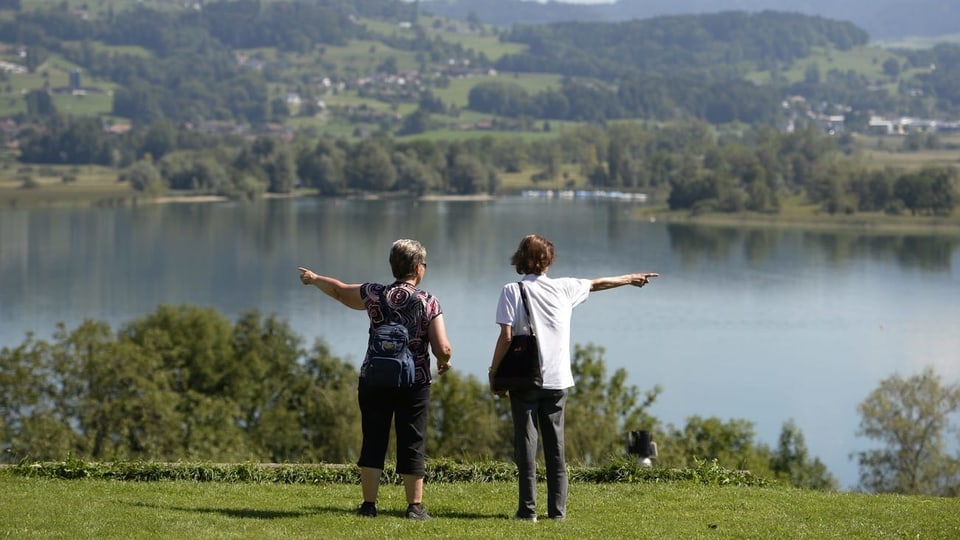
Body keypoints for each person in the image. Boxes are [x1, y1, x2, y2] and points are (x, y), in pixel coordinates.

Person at [489, 234, 658, 522]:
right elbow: (596, 283)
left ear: (521, 258)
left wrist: (494, 373)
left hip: (525, 380)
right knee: (556, 450)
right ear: (548, 260)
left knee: (526, 447)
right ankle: (558, 513)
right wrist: (630, 278)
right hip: (558, 381)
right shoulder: (565, 288)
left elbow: (506, 337)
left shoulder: (511, 290)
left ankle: (527, 511)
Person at [299, 239, 453, 521]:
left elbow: (339, 291)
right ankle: (414, 508)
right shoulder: (428, 301)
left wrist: (315, 279)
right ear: (419, 268)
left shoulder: (374, 293)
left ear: (394, 266)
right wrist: (444, 362)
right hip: (414, 381)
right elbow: (442, 347)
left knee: (373, 437)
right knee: (412, 440)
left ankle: (369, 505)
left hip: (374, 376)